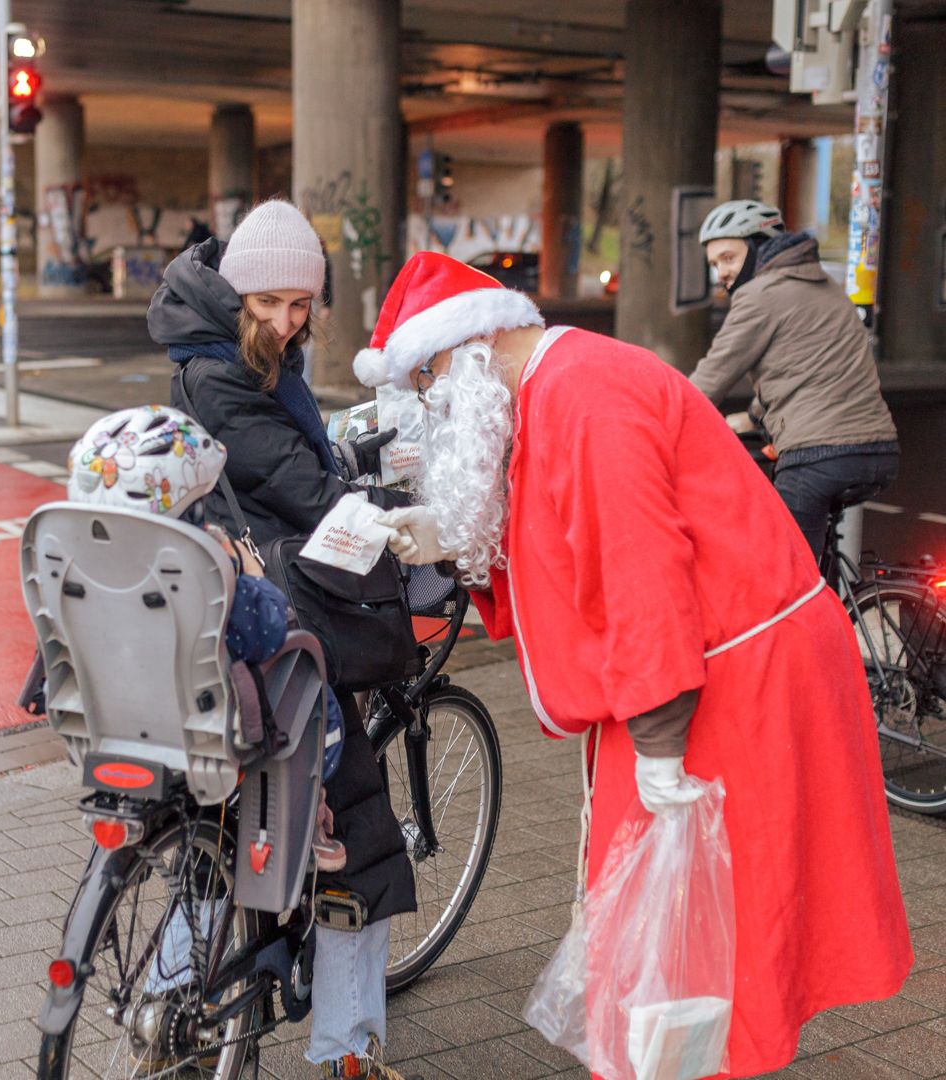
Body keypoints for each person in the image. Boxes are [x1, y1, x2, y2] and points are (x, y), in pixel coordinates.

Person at [352, 250, 913, 1080]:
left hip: (719, 678)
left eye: (426, 379)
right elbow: (569, 536)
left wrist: (657, 741)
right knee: (691, 928)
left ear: (466, 347)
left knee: (709, 931)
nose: (430, 402)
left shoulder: (581, 393)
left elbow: (640, 572)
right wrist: (449, 538)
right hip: (703, 668)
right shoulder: (556, 385)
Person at [147, 200, 416, 1080]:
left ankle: (166, 1006)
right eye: (270, 303)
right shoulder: (221, 375)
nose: (288, 321)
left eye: (302, 304)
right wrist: (405, 514)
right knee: (361, 829)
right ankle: (348, 1049)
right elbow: (302, 487)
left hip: (219, 616)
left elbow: (281, 467)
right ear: (237, 294)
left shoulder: (222, 351)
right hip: (271, 626)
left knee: (215, 823)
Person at [65, 403, 345, 872]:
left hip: (111, 717)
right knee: (315, 695)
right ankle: (305, 814)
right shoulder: (205, 573)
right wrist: (247, 571)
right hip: (204, 723)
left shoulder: (79, 574)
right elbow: (266, 631)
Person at [689, 199, 900, 563]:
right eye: (714, 264)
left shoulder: (759, 295)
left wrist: (658, 420)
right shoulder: (828, 285)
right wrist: (754, 416)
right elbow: (808, 368)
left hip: (818, 458)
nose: (721, 272)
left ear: (758, 246)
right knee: (812, 567)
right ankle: (842, 598)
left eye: (728, 258)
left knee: (783, 571)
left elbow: (710, 379)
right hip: (880, 451)